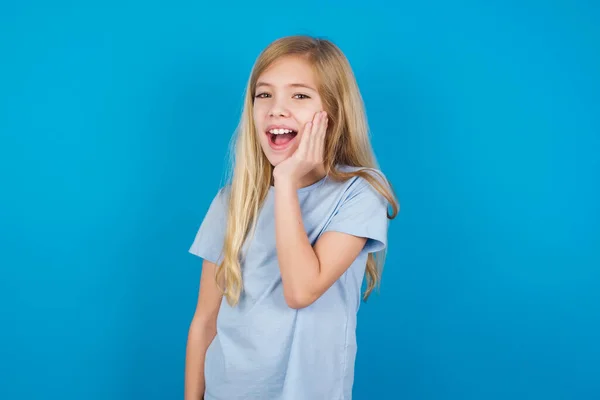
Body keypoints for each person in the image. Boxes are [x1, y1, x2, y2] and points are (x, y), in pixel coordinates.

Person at [184, 35, 399, 400]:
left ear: (332, 111)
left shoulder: (360, 192)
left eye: (299, 95)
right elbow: (205, 320)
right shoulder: (232, 201)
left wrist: (285, 182)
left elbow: (301, 290)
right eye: (264, 95)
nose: (276, 109)